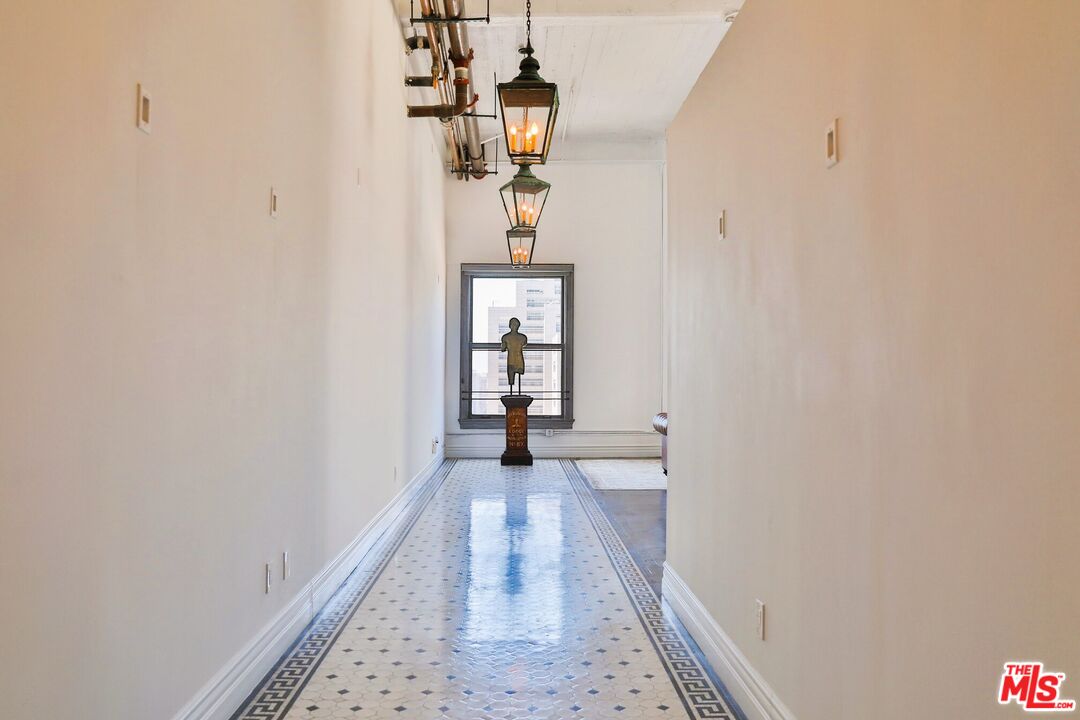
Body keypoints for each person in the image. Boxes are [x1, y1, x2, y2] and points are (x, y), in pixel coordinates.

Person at [500, 317, 528, 395]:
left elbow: (503, 349)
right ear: (510, 325)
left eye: (516, 324)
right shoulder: (506, 337)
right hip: (511, 361)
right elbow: (503, 348)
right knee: (511, 380)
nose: (514, 326)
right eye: (513, 324)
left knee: (517, 378)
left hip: (518, 360)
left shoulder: (522, 337)